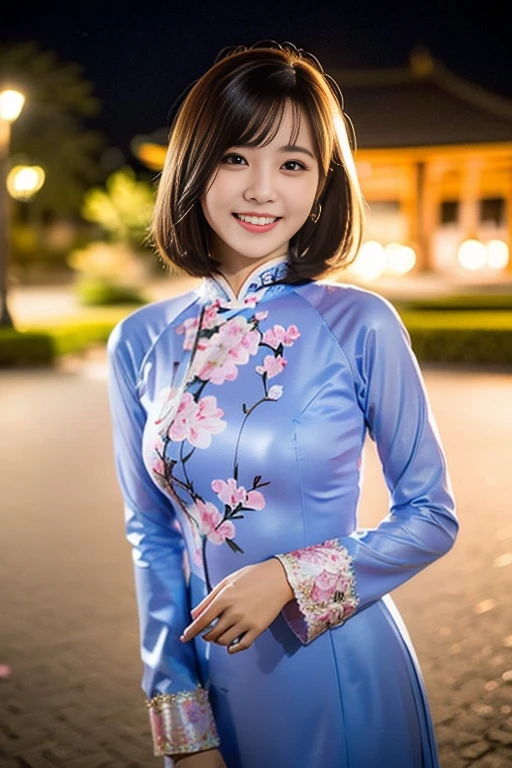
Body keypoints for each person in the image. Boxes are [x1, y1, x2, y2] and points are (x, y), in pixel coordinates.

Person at [107, 41, 458, 768]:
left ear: (323, 186)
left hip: (338, 662)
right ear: (194, 166)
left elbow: (430, 517)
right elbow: (151, 533)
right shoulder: (141, 340)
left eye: (293, 164)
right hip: (210, 681)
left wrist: (290, 578)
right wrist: (176, 709)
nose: (263, 189)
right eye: (237, 157)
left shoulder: (360, 325)